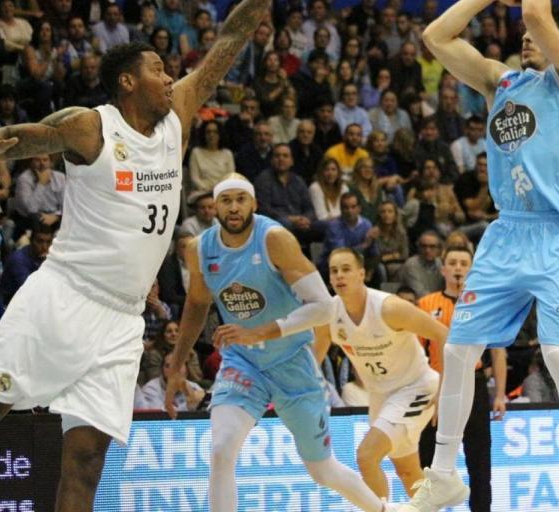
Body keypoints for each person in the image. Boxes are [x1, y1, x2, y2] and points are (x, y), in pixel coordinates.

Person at [0, 0, 310, 509]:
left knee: (87, 460)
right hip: (65, 296)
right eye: (157, 69)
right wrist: (3, 142)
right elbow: (42, 135)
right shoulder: (94, 126)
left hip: (122, 320)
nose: (170, 77)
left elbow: (233, 36)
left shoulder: (178, 117)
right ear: (127, 81)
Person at [409, 0, 559, 509]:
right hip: (507, 233)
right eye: (522, 34)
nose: (525, 36)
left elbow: (538, 15)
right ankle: (443, 474)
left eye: (535, 34)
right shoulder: (501, 82)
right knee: (458, 350)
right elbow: (436, 38)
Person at [165, 175, 401, 512]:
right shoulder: (199, 248)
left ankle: (383, 509)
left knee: (322, 470)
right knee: (221, 449)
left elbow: (324, 307)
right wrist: (176, 364)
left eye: (241, 199)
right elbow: (196, 304)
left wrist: (260, 332)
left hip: (292, 361)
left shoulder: (274, 239)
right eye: (226, 200)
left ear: (254, 203)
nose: (234, 207)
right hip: (243, 362)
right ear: (214, 207)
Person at [308, 248, 447, 499]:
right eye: (334, 270)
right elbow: (313, 361)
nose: (339, 275)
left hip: (416, 387)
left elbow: (443, 334)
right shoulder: (329, 314)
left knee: (366, 456)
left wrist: (447, 389)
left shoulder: (389, 308)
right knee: (407, 471)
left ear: (362, 274)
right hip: (380, 394)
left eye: (346, 269)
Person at [415, 245, 506, 512]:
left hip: (474, 384)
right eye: (453, 263)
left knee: (479, 462)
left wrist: (500, 394)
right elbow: (416, 352)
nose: (458, 268)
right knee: (428, 459)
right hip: (434, 386)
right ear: (443, 269)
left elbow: (498, 352)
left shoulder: (484, 305)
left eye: (464, 263)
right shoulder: (426, 304)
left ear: (472, 269)